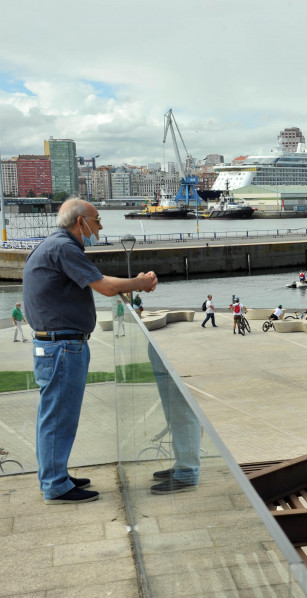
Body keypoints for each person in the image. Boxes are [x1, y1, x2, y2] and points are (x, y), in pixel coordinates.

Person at [23, 198, 157, 504]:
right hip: (62, 346)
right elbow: (106, 287)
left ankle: (56, 474)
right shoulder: (64, 247)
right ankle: (55, 484)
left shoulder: (55, 245)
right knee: (58, 417)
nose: (99, 227)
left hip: (58, 344)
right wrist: (140, 282)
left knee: (58, 416)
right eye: (97, 221)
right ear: (80, 222)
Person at [147, 345, 202, 495]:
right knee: (174, 413)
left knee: (183, 412)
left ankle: (188, 472)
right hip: (158, 345)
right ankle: (182, 465)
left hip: (175, 349)